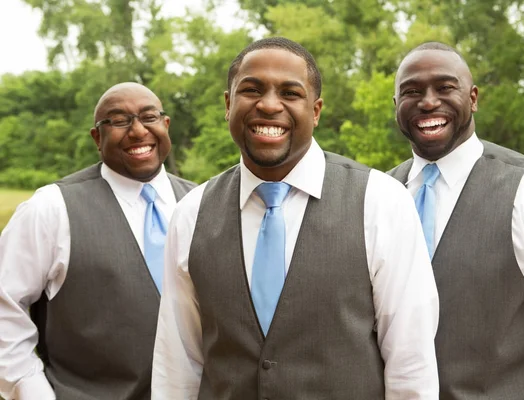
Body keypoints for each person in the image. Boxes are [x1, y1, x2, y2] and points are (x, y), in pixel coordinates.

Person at [152, 37, 440, 399]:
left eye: (290, 93)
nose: (269, 105)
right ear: (228, 104)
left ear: (316, 111)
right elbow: (177, 365)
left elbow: (411, 364)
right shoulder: (191, 214)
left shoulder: (381, 202)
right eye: (251, 90)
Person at [388, 41, 524, 399]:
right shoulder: (380, 197)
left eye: (444, 87)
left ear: (472, 98)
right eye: (411, 91)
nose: (427, 101)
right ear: (396, 106)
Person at [0, 82, 196, 400]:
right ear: (97, 137)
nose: (137, 131)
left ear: (166, 125)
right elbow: (4, 309)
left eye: (149, 117)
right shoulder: (50, 207)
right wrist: (33, 392)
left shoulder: (201, 203)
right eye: (119, 121)